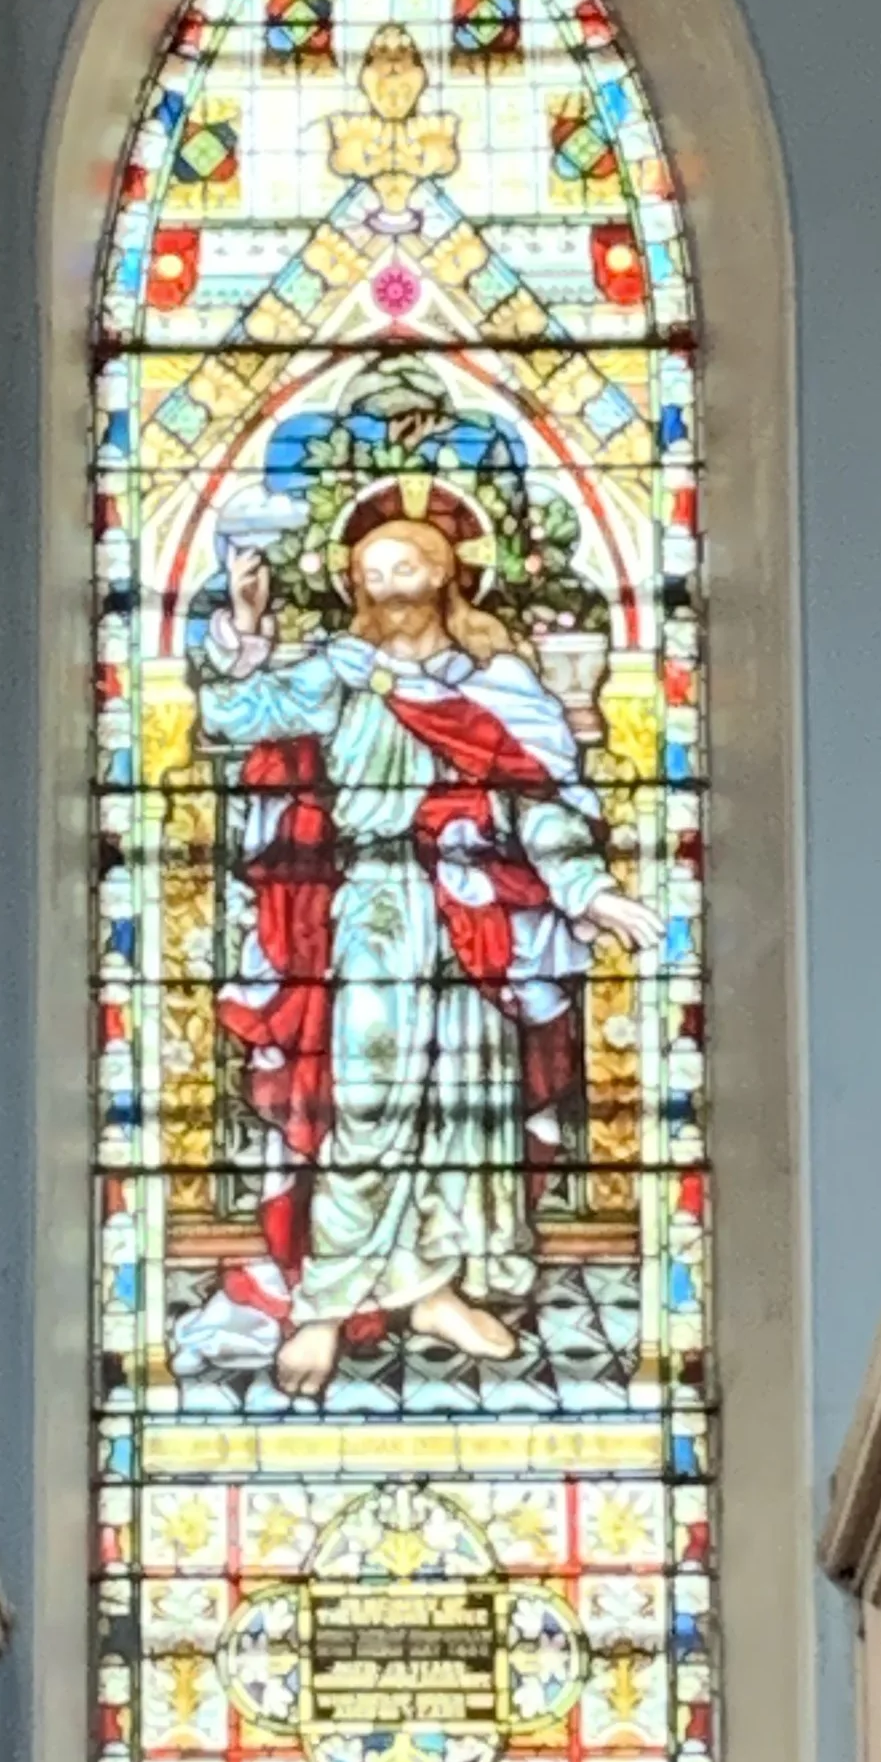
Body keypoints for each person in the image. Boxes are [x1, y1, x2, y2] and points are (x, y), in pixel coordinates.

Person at [196, 505, 657, 1398]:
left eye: (406, 566)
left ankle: (436, 1285)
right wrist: (246, 622)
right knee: (363, 1098)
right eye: (371, 569)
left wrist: (588, 891)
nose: (385, 583)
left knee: (467, 1108)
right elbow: (239, 710)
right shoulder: (339, 670)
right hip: (373, 903)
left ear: (448, 575)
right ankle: (326, 1301)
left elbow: (541, 800)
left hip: (475, 908)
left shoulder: (496, 684)